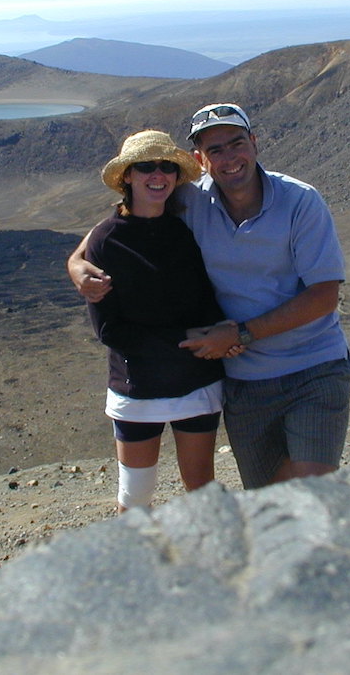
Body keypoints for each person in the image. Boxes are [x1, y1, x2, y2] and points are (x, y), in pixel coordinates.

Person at [69, 103, 350, 490]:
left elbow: (324, 296)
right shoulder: (192, 201)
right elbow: (123, 221)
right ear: (200, 159)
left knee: (312, 489)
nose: (229, 157)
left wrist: (240, 334)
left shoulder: (300, 202)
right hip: (244, 379)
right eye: (215, 150)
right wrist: (76, 260)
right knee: (267, 498)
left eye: (236, 143)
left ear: (254, 143)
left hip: (313, 368)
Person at [85, 130, 227, 513]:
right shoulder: (105, 240)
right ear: (127, 176)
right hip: (137, 388)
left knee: (201, 491)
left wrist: (226, 333)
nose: (157, 175)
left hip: (196, 384)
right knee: (135, 499)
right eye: (146, 166)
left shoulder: (186, 231)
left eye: (166, 167)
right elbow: (109, 329)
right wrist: (189, 338)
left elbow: (206, 298)